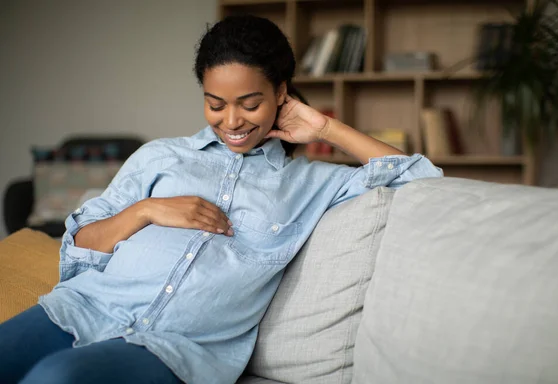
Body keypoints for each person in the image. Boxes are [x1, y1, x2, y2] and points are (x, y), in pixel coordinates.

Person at [0, 14, 442, 384]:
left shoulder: (311, 183)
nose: (231, 120)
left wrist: (324, 127)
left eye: (250, 103)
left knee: (56, 378)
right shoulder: (160, 156)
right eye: (215, 104)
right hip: (83, 307)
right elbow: (82, 247)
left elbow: (420, 176)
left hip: (175, 348)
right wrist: (147, 210)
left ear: (280, 94)